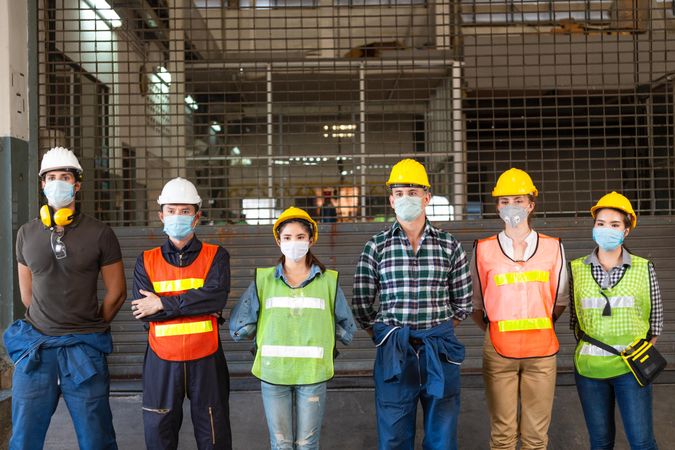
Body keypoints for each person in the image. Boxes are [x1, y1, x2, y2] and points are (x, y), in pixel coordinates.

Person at [3, 146, 126, 450]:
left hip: (83, 351)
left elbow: (117, 291)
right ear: (43, 184)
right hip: (37, 352)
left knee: (96, 439)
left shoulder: (100, 233)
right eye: (52, 177)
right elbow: (27, 295)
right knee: (24, 439)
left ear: (77, 184)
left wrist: (90, 324)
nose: (58, 182)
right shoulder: (26, 233)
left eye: (65, 176)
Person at [352, 158, 472, 450]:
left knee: (441, 438)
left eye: (413, 192)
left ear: (427, 198)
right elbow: (361, 305)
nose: (407, 198)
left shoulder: (449, 245)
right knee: (393, 438)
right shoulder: (376, 246)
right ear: (391, 200)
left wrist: (438, 332)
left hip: (439, 351)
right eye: (400, 193)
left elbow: (464, 302)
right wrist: (387, 336)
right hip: (395, 352)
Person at [230, 206, 356, 450]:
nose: (294, 243)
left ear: (311, 239)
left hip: (313, 374)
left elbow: (346, 327)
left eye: (300, 237)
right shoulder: (263, 280)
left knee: (308, 444)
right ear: (279, 241)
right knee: (281, 444)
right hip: (274, 374)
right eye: (287, 238)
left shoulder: (329, 281)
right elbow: (239, 328)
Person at [470, 168, 568, 450]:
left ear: (531, 204)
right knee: (502, 435)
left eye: (518, 199)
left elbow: (559, 300)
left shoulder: (553, 247)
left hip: (542, 351)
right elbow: (477, 303)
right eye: (504, 201)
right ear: (497, 206)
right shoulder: (482, 249)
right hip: (498, 348)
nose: (511, 206)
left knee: (536, 437)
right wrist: (494, 329)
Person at [131, 177, 232, 450]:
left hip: (207, 357)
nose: (178, 216)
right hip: (161, 358)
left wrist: (163, 305)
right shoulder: (146, 260)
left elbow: (215, 297)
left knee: (214, 434)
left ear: (197, 217)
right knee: (159, 433)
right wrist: (193, 305)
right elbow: (144, 313)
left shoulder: (216, 256)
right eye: (172, 210)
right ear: (161, 215)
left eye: (185, 211)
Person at [570, 192, 662, 450]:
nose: (606, 229)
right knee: (600, 442)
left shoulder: (644, 268)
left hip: (631, 370)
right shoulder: (576, 269)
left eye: (614, 225)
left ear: (627, 230)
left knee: (642, 442)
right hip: (589, 371)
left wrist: (636, 354)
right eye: (600, 223)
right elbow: (575, 322)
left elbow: (656, 321)